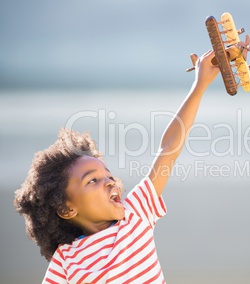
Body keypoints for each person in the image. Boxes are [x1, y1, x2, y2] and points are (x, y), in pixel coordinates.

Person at [14, 50, 220, 284]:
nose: (110, 182)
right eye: (92, 180)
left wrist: (199, 85)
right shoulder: (65, 259)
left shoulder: (135, 215)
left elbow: (168, 150)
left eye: (108, 175)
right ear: (67, 209)